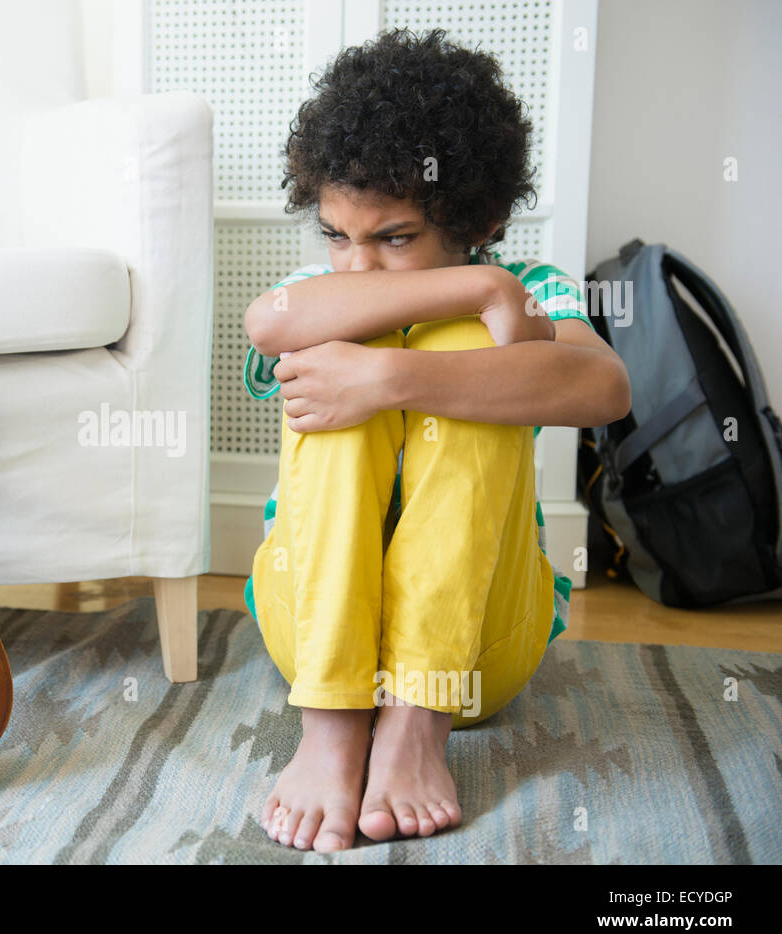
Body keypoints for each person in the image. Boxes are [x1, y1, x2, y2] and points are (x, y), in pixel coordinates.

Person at [241, 27, 630, 852]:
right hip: (310, 634)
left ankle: (417, 721)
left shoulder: (532, 296)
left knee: (478, 346)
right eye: (338, 236)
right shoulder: (321, 295)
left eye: (394, 237)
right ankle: (335, 725)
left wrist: (389, 380)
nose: (357, 267)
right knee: (350, 342)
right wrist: (478, 283)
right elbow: (269, 323)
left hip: (474, 653)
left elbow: (605, 386)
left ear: (480, 219)